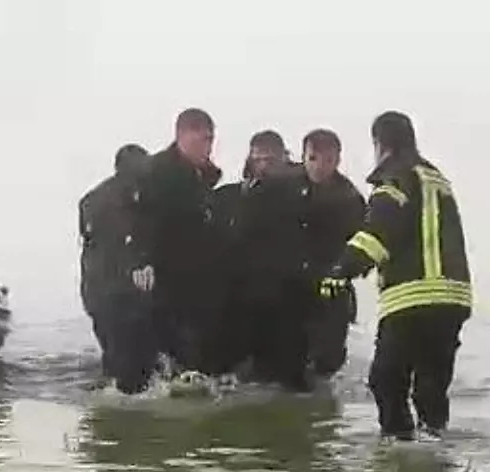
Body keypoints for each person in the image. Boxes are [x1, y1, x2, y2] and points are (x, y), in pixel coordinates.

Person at [320, 111, 473, 440]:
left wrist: (340, 271)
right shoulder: (436, 178)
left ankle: (399, 452)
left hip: (412, 297)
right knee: (431, 385)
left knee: (386, 380)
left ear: (380, 144)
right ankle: (435, 457)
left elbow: (378, 234)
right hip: (454, 299)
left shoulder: (394, 178)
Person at [129, 108, 226, 379]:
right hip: (164, 269)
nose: (206, 147)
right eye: (200, 140)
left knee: (198, 341)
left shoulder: (203, 173)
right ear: (180, 136)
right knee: (174, 339)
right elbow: (139, 218)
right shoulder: (156, 171)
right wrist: (141, 260)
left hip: (198, 270)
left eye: (210, 140)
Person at [225, 130, 316, 391]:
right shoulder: (240, 194)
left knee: (290, 373)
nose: (264, 166)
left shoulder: (299, 188)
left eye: (270, 160)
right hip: (250, 293)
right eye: (259, 159)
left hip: (289, 291)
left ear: (282, 159)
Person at [79, 143, 157, 394]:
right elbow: (126, 236)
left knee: (114, 354)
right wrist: (138, 264)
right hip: (117, 288)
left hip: (94, 287)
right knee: (133, 364)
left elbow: (90, 241)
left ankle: (112, 413)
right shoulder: (129, 198)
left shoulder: (91, 199)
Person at [298, 129, 365, 378]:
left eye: (328, 160)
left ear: (338, 160)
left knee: (327, 360)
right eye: (313, 158)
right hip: (292, 286)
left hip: (332, 288)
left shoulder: (349, 198)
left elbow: (363, 245)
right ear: (303, 156)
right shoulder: (288, 184)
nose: (319, 167)